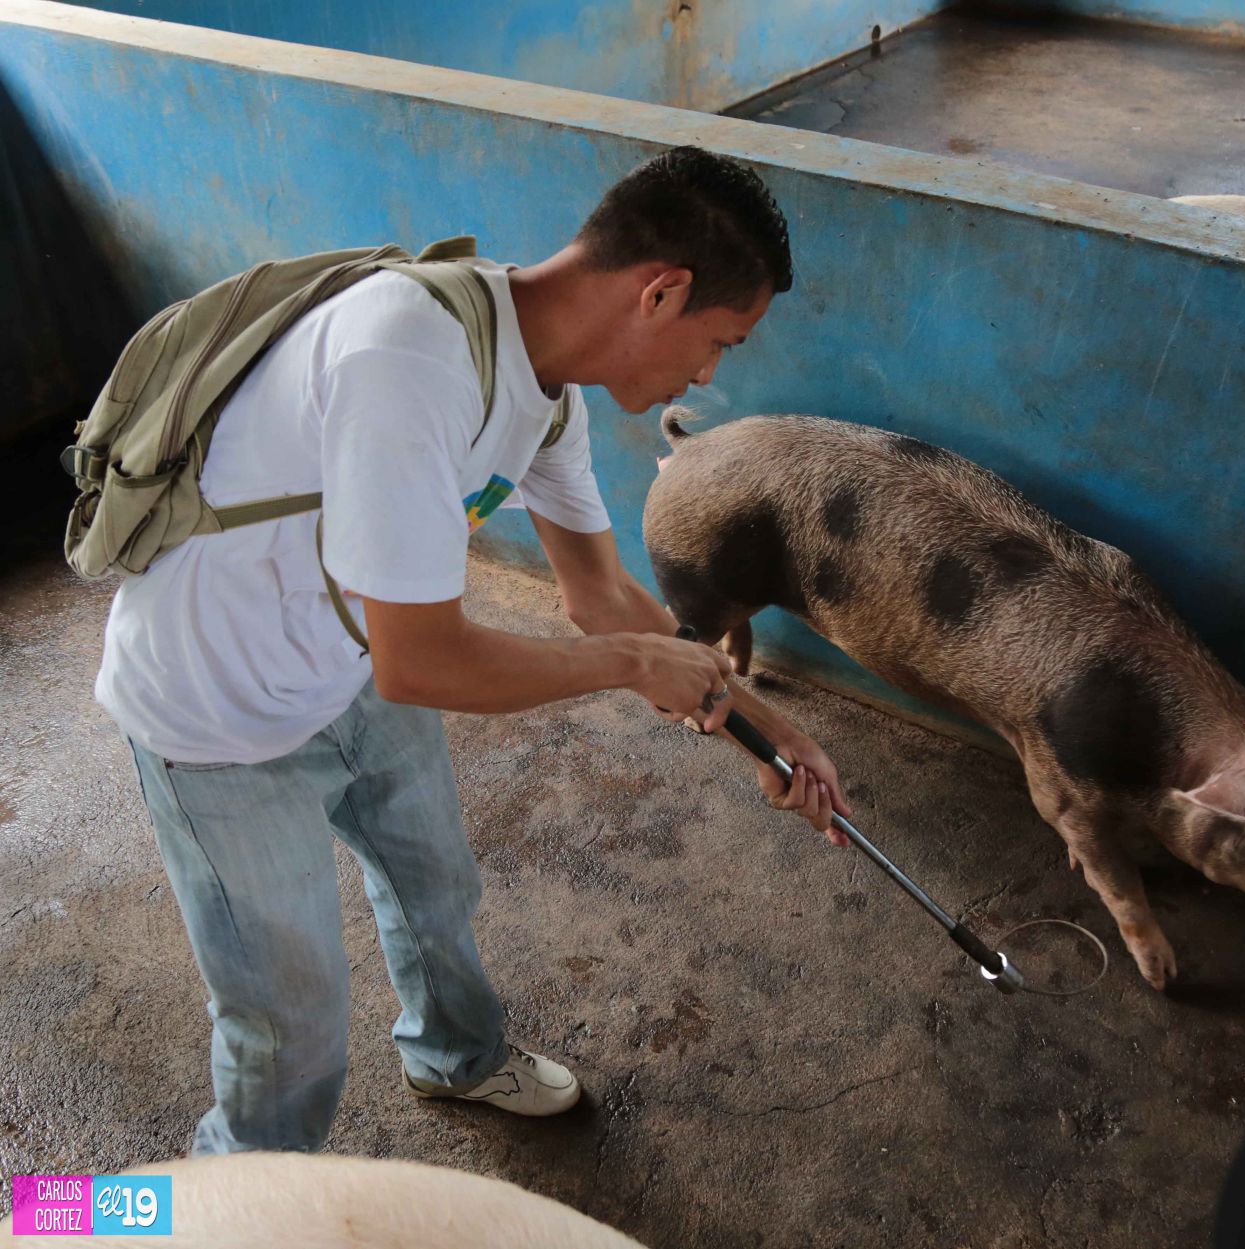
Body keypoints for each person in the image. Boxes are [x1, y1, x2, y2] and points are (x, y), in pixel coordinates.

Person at [95, 147, 850, 1155]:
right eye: (721, 342)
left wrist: (766, 727)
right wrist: (635, 666)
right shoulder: (407, 356)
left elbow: (600, 598)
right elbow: (431, 662)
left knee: (436, 888)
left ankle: (454, 1057)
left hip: (351, 660)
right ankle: (131, 1211)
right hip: (220, 710)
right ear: (659, 292)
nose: (709, 374)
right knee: (294, 1037)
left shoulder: (547, 395)